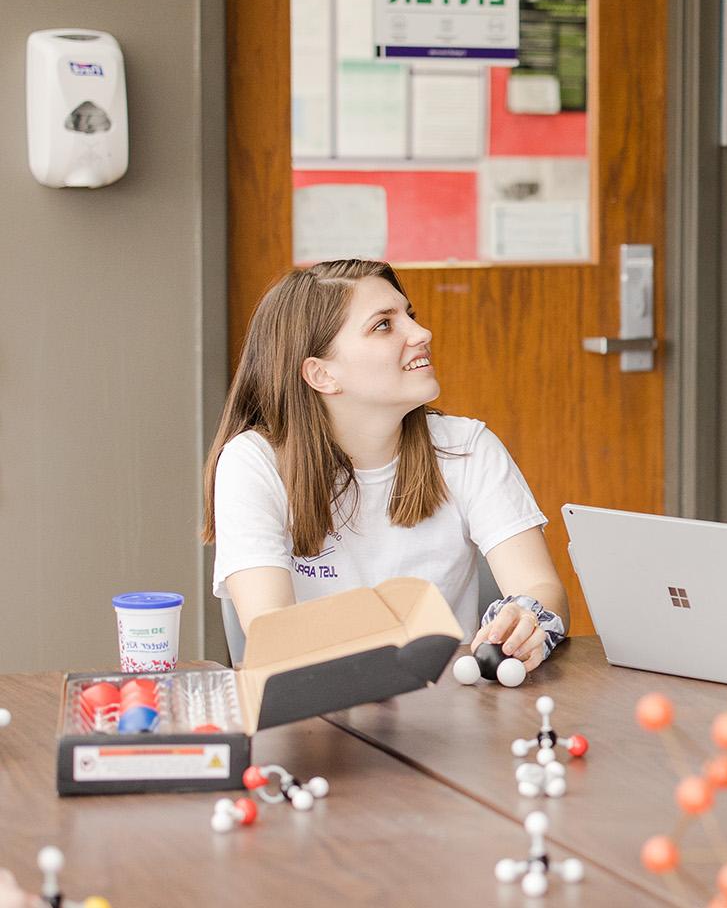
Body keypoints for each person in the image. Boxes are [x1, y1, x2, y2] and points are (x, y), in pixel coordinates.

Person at [202, 260, 568, 676]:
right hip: (319, 719)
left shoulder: (466, 447)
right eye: (383, 325)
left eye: (409, 316)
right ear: (321, 374)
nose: (421, 333)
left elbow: (541, 588)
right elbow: (272, 632)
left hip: (450, 714)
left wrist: (529, 619)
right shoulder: (253, 463)